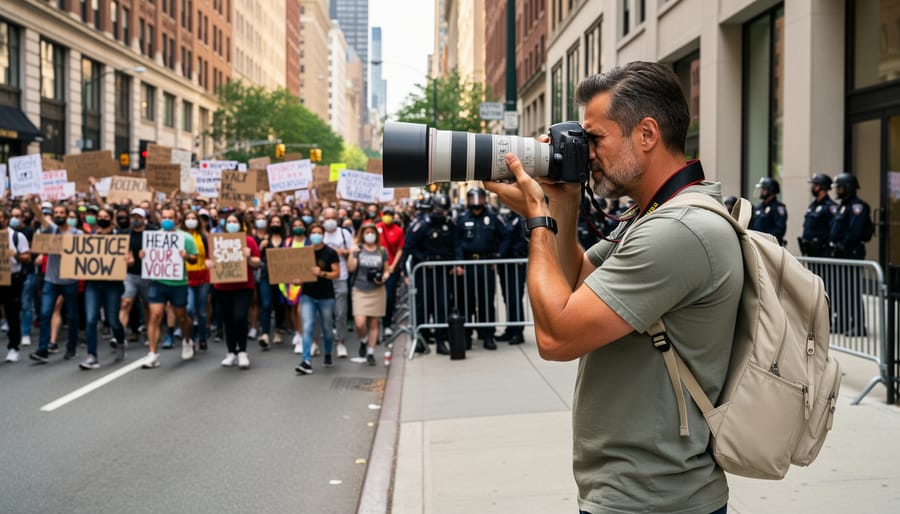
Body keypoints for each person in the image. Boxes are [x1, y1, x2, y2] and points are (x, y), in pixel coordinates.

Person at [484, 61, 741, 514]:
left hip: (655, 498)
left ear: (646, 134)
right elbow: (580, 283)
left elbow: (557, 337)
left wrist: (538, 219)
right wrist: (563, 202)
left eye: (595, 139)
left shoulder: (679, 229)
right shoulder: (652, 216)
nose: (587, 153)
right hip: (635, 489)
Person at [139, 206, 199, 369]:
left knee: (181, 316)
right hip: (157, 282)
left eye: (170, 217)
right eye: (164, 217)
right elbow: (148, 256)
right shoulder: (153, 237)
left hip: (178, 283)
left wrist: (186, 256)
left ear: (176, 220)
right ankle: (152, 353)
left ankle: (187, 340)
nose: (167, 220)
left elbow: (194, 258)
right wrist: (143, 256)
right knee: (155, 316)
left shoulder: (185, 238)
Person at [404, 194, 462, 354]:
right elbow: (410, 246)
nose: (440, 213)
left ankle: (440, 340)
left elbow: (457, 245)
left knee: (442, 305)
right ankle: (421, 338)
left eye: (443, 210)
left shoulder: (450, 224)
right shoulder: (422, 224)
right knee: (424, 305)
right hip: (425, 270)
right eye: (438, 210)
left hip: (443, 269)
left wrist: (457, 262)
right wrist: (423, 260)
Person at [29, 203, 84, 364]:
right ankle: (42, 349)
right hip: (51, 281)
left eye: (62, 213)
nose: (59, 215)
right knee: (45, 314)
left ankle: (71, 347)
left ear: (67, 215)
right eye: (56, 213)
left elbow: (84, 253)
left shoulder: (77, 233)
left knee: (72, 316)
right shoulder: (51, 230)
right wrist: (32, 202)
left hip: (70, 281)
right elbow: (40, 217)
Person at [456, 186, 507, 350]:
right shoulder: (462, 218)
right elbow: (456, 243)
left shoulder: (493, 217)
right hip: (467, 265)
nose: (476, 202)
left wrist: (497, 256)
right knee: (467, 302)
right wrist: (458, 262)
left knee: (486, 301)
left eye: (479, 198)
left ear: (484, 199)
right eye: (472, 198)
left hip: (486, 264)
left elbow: (505, 236)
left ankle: (488, 335)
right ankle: (466, 336)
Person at [210, 213, 261, 369]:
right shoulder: (217, 241)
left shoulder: (249, 241)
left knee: (239, 316)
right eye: (229, 221)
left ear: (240, 224)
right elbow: (210, 261)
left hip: (243, 286)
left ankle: (243, 352)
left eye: (235, 222)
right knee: (228, 320)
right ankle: (231, 352)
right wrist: (209, 264)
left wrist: (248, 258)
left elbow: (257, 263)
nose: (232, 224)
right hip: (223, 286)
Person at [80, 207, 127, 369]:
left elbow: (132, 261)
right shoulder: (91, 238)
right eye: (100, 216)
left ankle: (120, 342)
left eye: (106, 216)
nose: (102, 218)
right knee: (91, 319)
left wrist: (127, 259)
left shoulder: (120, 238)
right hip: (93, 283)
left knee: (113, 320)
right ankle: (92, 355)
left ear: (111, 218)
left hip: (112, 285)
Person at [829, 172, 872, 336]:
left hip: (851, 254)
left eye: (840, 187)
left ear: (848, 187)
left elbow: (855, 232)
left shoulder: (857, 207)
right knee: (841, 291)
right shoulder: (843, 206)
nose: (837, 190)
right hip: (841, 255)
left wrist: (843, 246)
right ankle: (843, 322)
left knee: (852, 290)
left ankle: (859, 326)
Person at [294, 223, 339, 375]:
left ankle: (327, 353)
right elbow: (299, 272)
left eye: (319, 232)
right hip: (308, 294)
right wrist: (297, 280)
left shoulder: (330, 253)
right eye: (313, 232)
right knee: (307, 327)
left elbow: (336, 274)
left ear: (323, 234)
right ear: (309, 235)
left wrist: (322, 273)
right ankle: (306, 361)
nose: (316, 235)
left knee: (327, 328)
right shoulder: (304, 253)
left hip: (326, 296)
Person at [347, 222, 391, 366]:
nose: (370, 234)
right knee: (359, 323)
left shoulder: (382, 251)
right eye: (367, 232)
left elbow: (387, 269)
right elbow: (351, 268)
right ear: (362, 234)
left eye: (372, 232)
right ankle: (363, 341)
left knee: (374, 323)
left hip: (377, 290)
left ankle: (371, 353)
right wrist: (353, 253)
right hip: (359, 289)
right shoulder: (357, 249)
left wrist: (384, 277)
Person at [322, 207, 354, 358]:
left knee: (341, 312)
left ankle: (340, 341)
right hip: (323, 278)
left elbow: (352, 250)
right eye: (326, 218)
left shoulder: (344, 233)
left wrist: (344, 252)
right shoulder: (319, 234)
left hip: (341, 277)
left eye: (332, 218)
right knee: (325, 313)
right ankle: (323, 340)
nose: (329, 221)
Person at [1, 209, 31, 363]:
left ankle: (14, 347)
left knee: (12, 313)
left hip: (12, 279)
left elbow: (27, 257)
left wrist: (16, 256)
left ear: (6, 220)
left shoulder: (17, 236)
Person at [496, 209, 527, 345]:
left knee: (515, 297)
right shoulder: (508, 218)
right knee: (507, 298)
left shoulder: (521, 219)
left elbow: (524, 240)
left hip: (515, 263)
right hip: (506, 264)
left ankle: (518, 331)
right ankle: (511, 328)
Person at [183, 210, 211, 352]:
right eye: (188, 218)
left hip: (202, 277)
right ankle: (190, 338)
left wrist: (209, 262)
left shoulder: (203, 237)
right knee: (188, 309)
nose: (191, 220)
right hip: (185, 277)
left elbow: (209, 255)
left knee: (202, 311)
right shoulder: (179, 237)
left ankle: (202, 338)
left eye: (193, 218)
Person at [375, 205, 404, 337]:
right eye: (385, 214)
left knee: (389, 296)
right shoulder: (376, 228)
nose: (387, 216)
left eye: (389, 214)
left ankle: (387, 323)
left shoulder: (398, 230)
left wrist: (393, 266)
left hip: (391, 268)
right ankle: (375, 324)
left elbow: (399, 249)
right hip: (376, 266)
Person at [799, 174, 837, 257]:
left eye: (815, 185)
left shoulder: (830, 207)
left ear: (822, 187)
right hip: (810, 250)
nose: (812, 187)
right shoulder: (813, 206)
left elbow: (833, 230)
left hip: (822, 251)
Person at [749, 177, 787, 245]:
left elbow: (779, 230)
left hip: (770, 245)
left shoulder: (778, 208)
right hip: (756, 244)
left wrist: (764, 239)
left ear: (771, 190)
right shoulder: (759, 207)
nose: (761, 191)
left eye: (763, 189)